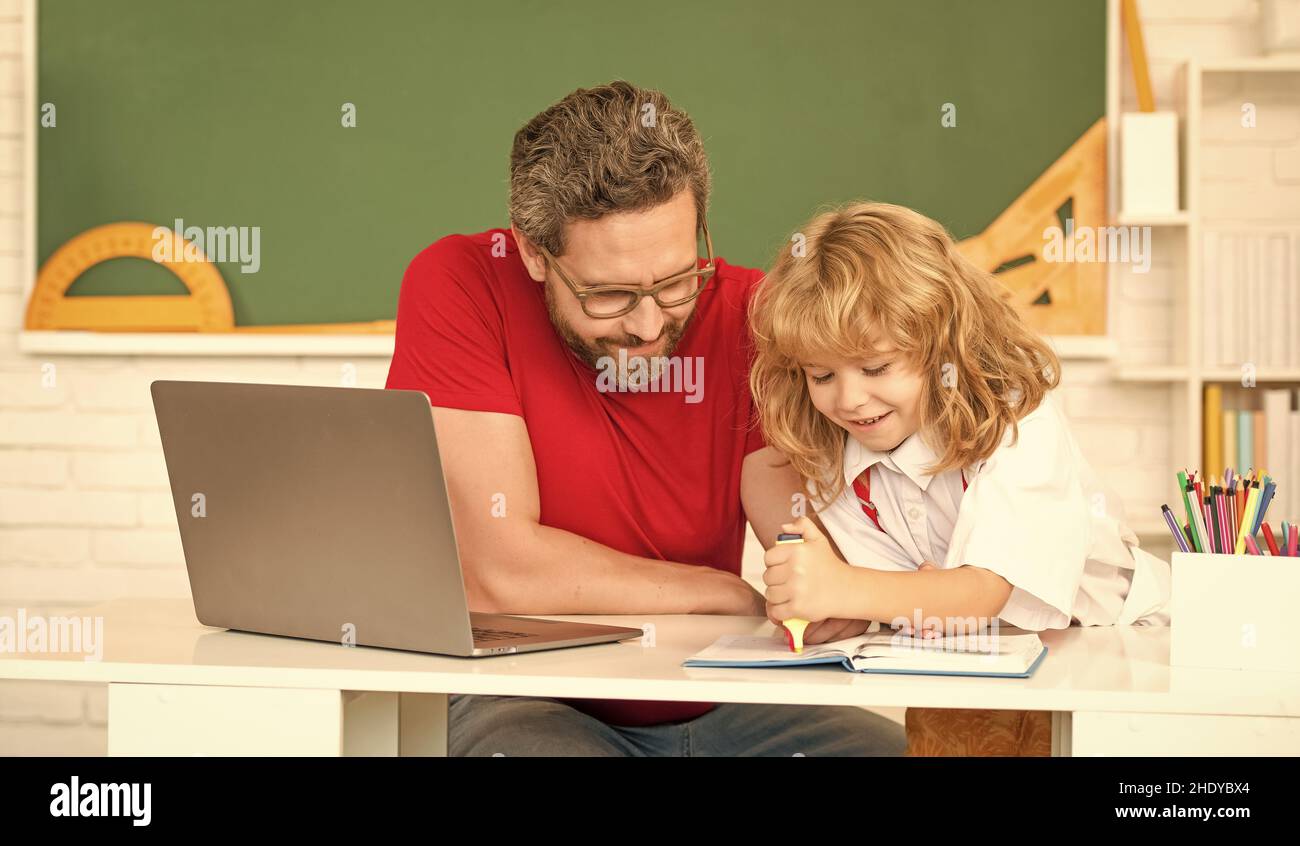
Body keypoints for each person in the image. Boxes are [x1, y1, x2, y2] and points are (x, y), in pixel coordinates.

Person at [385, 82, 905, 756]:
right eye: (608, 295)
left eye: (677, 281)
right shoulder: (461, 283)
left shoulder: (756, 312)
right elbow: (502, 573)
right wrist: (723, 593)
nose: (649, 324)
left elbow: (796, 535)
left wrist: (829, 582)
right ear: (534, 253)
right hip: (526, 698)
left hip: (724, 693)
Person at [749, 201, 1171, 755]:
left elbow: (978, 594)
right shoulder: (839, 449)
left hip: (1117, 661)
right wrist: (831, 593)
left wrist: (845, 587)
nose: (849, 399)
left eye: (877, 368)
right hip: (977, 670)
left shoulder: (1018, 418)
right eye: (821, 374)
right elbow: (761, 473)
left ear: (943, 344)